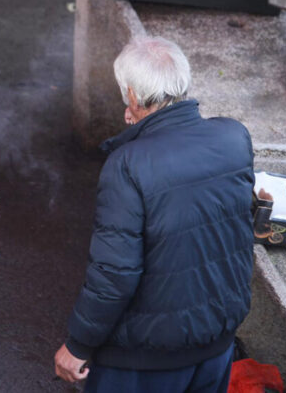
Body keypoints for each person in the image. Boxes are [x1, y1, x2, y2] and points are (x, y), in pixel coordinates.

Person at [54, 36, 254, 392]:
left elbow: (115, 274)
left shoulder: (127, 165)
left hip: (144, 362)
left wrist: (78, 345)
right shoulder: (233, 138)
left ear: (131, 95)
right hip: (216, 346)